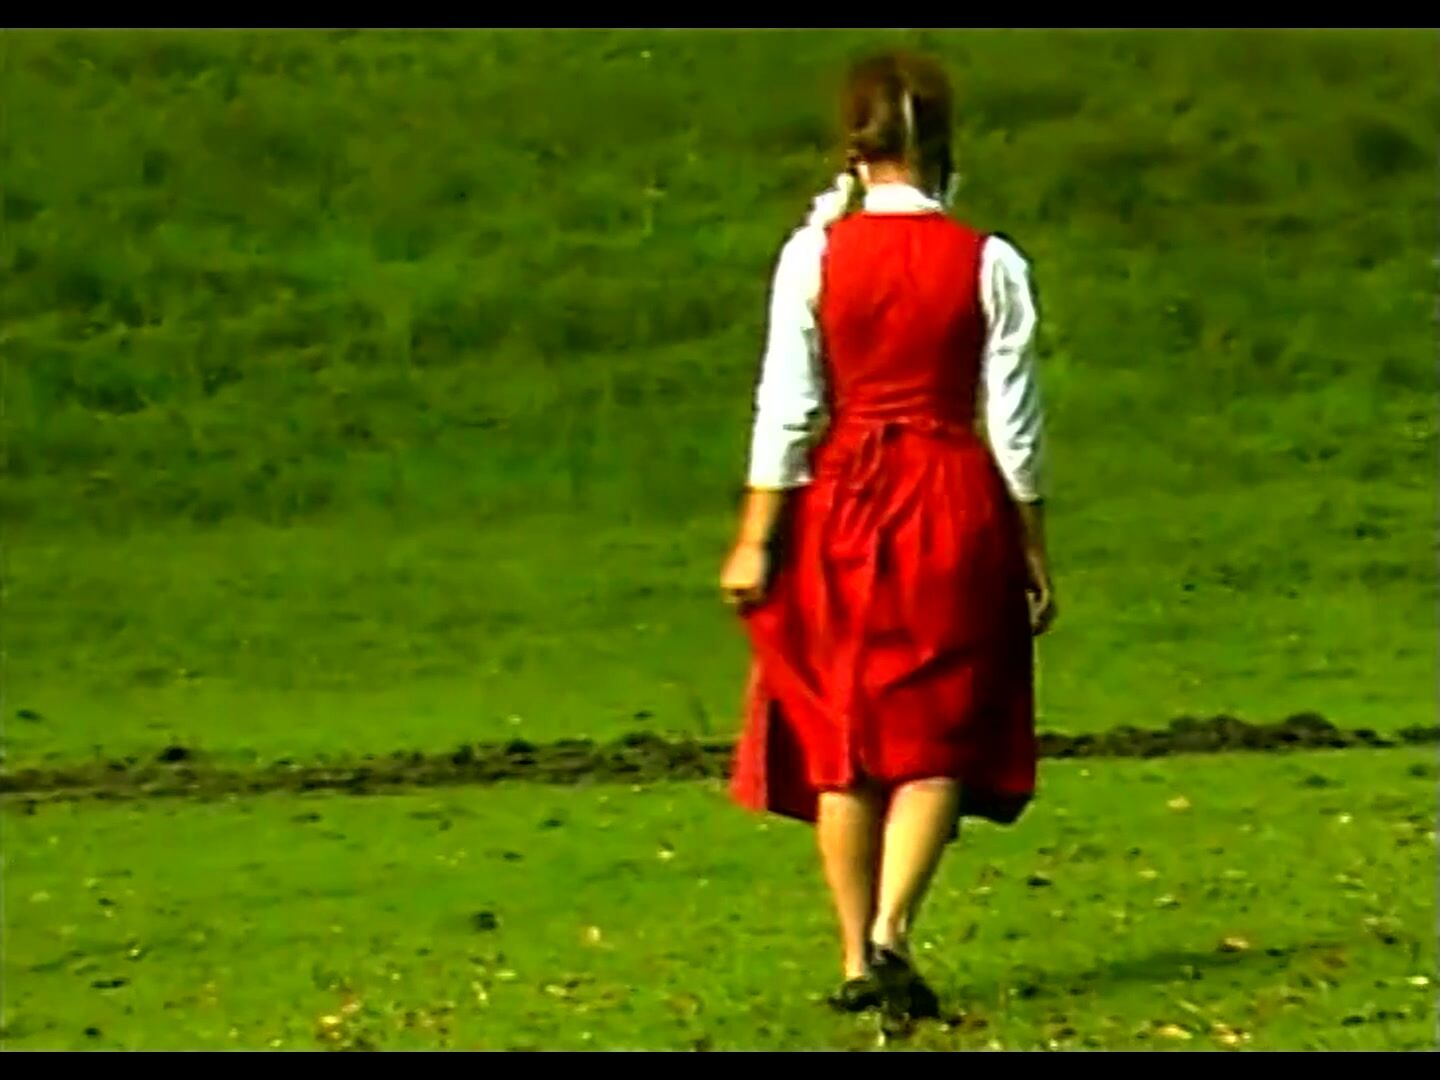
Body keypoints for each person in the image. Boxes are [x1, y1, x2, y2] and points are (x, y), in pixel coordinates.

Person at [719, 49, 1056, 1021]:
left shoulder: (815, 255)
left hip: (846, 499)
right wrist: (1032, 543)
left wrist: (756, 536)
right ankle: (893, 931)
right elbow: (1016, 425)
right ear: (944, 146)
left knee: (845, 729)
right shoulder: (989, 262)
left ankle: (853, 951)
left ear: (854, 146)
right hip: (952, 494)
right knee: (936, 727)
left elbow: (788, 407)